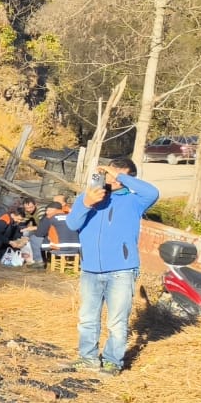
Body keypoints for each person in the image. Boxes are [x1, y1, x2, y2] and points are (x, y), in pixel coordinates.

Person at [62, 155, 161, 373]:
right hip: (90, 270)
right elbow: (72, 223)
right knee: (87, 319)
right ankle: (87, 358)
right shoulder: (89, 197)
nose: (112, 179)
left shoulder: (135, 200)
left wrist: (118, 175)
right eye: (109, 174)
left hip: (121, 270)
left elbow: (153, 192)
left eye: (118, 176)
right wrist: (87, 203)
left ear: (128, 179)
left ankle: (112, 361)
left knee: (117, 321)